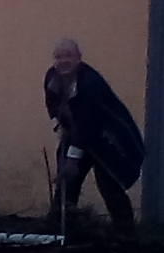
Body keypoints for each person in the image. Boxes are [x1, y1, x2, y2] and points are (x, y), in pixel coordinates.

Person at [43, 37, 146, 234]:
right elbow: (52, 105)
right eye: (58, 57)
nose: (63, 61)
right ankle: (58, 232)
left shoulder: (91, 83)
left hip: (107, 139)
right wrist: (60, 126)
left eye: (69, 56)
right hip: (76, 135)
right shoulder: (51, 78)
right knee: (66, 186)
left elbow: (88, 123)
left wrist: (72, 160)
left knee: (110, 186)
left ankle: (126, 235)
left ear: (79, 58)